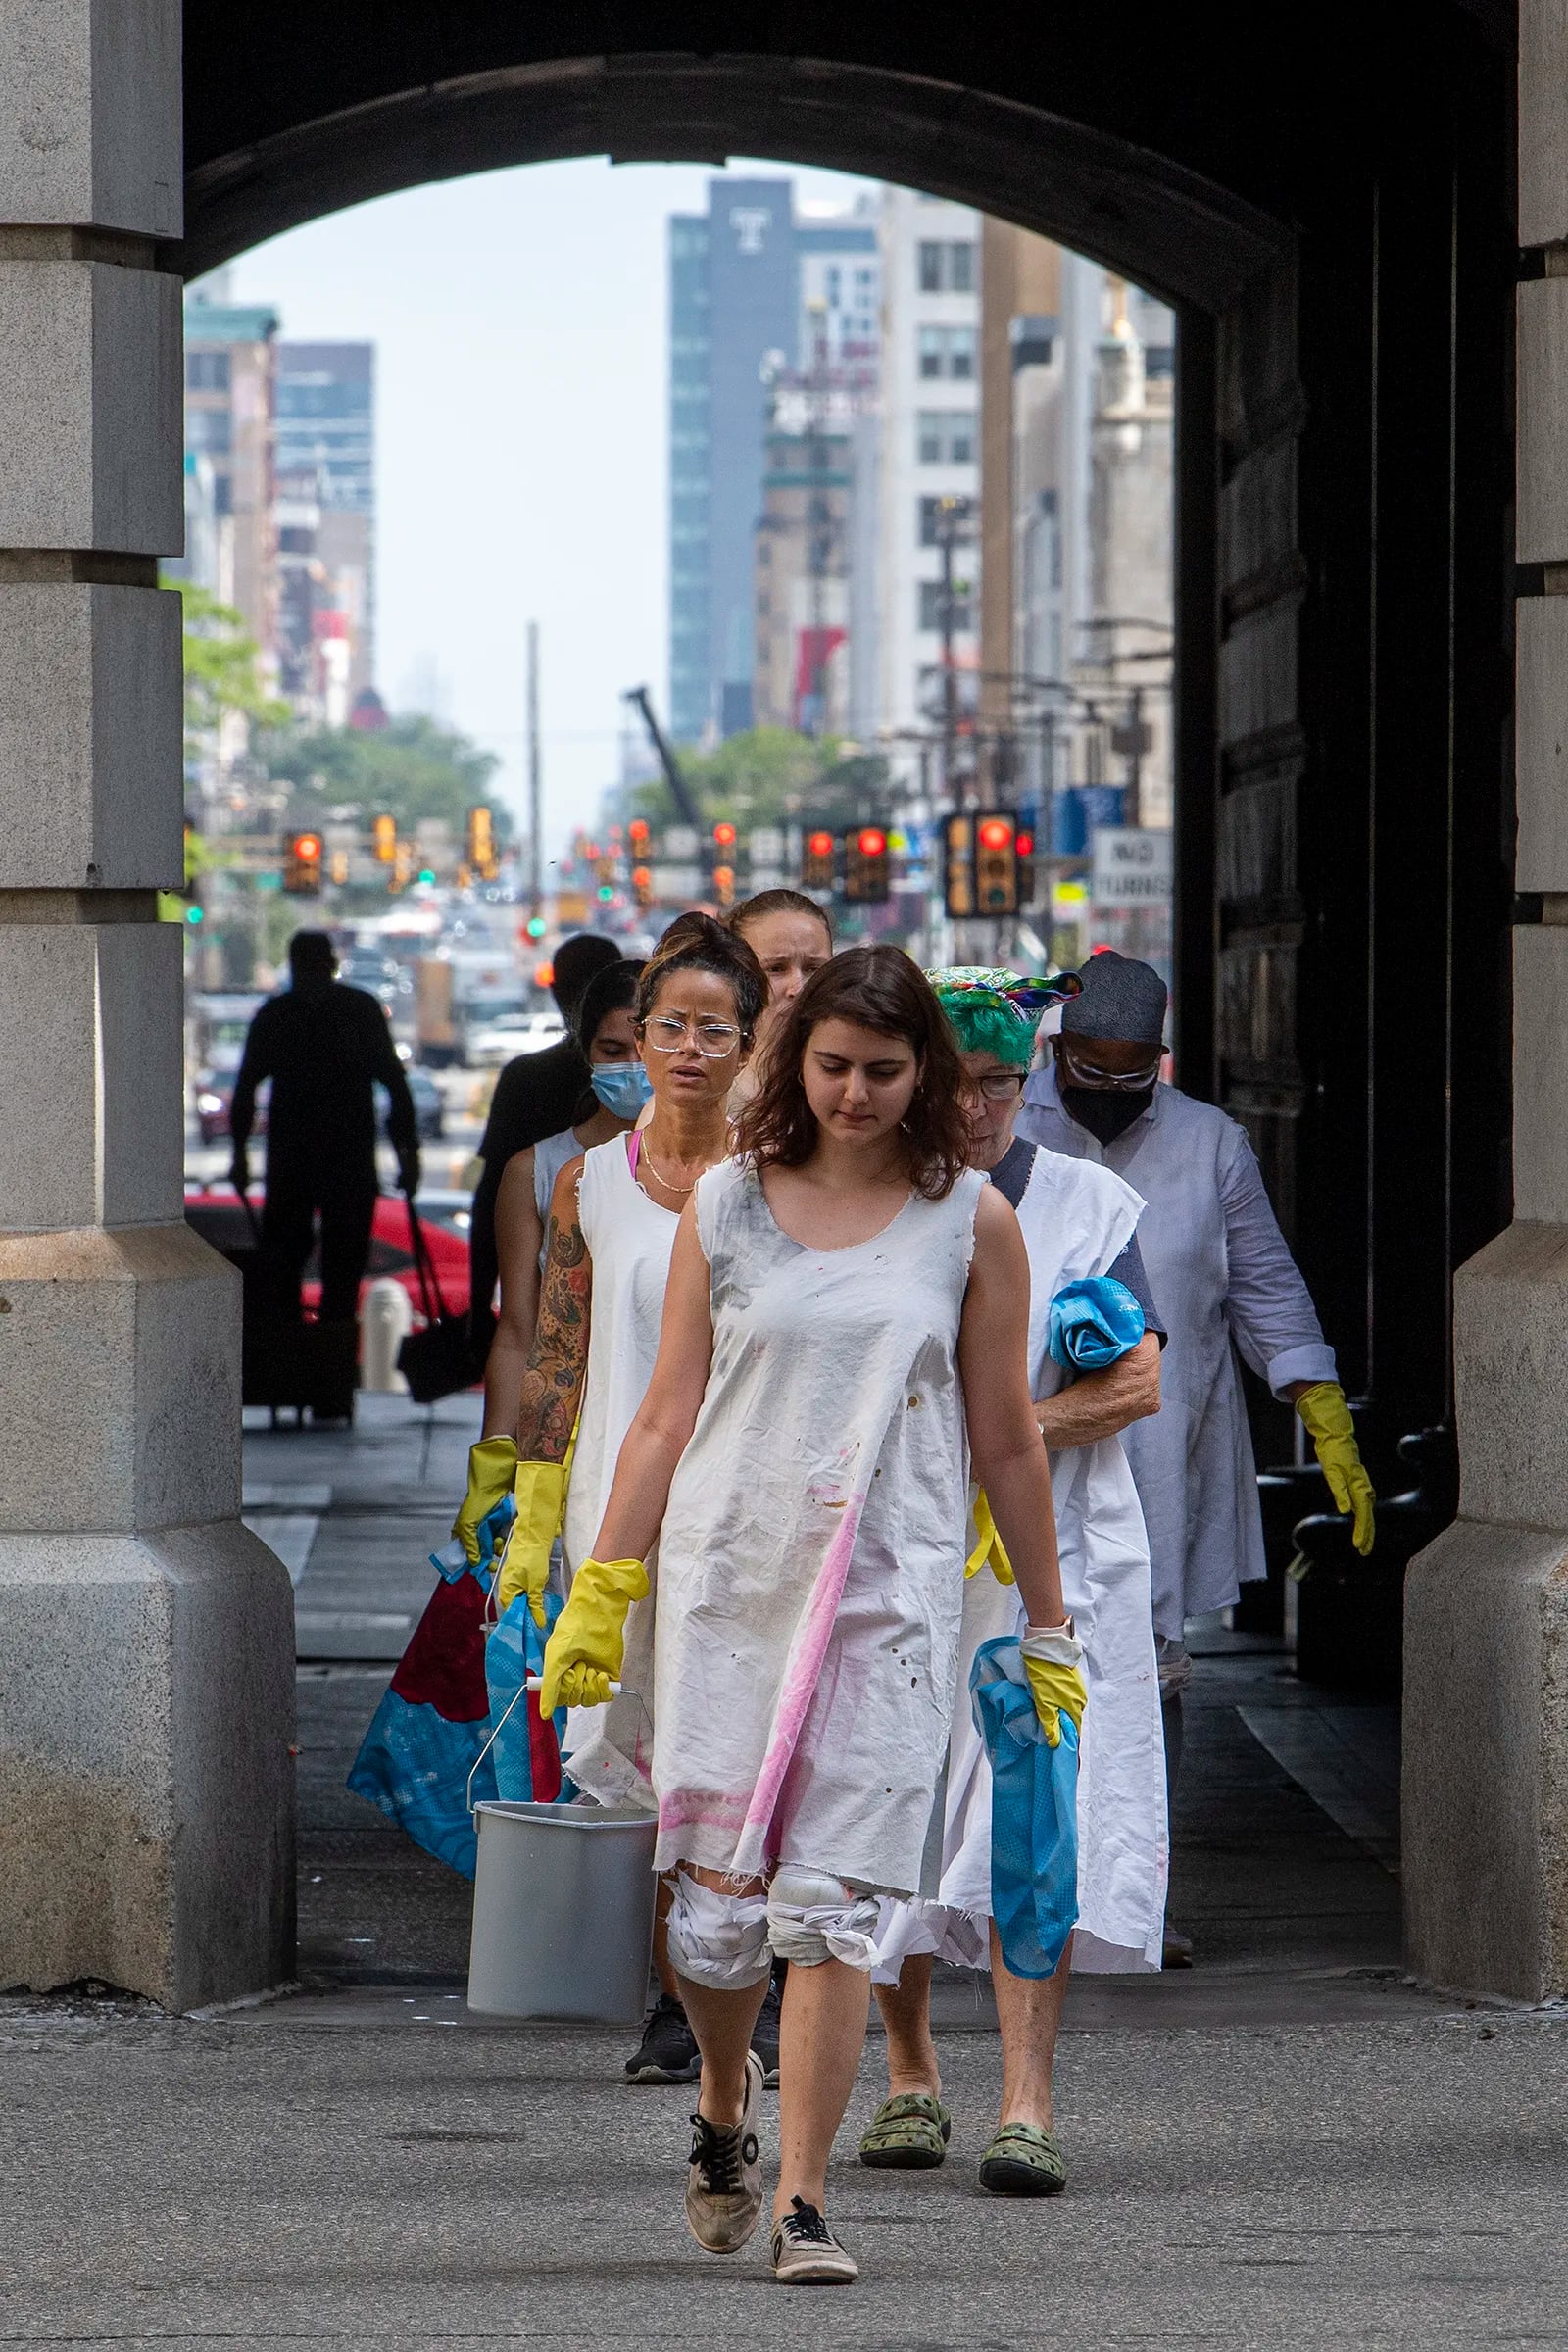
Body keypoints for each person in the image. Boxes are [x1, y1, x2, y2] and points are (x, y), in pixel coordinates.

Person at [539, 945, 1082, 2287]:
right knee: (720, 1925)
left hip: (889, 1600)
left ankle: (805, 2199)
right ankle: (726, 2103)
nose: (854, 1093)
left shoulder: (972, 1225)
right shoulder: (723, 1206)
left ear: (929, 1077)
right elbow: (666, 1411)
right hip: (730, 1586)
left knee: (834, 1913)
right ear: (799, 1065)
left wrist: (1049, 1625)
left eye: (885, 1072)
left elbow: (1008, 1439)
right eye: (833, 1066)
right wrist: (603, 1586)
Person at [862, 968, 1167, 2198]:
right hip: (895, 1565)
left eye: (1005, 1082)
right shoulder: (868, 1203)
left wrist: (1000, 1439)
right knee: (884, 1805)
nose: (984, 1108)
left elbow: (1133, 1384)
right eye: (962, 1082)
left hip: (1048, 1569)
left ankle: (1027, 2102)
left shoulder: (1090, 1206)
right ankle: (907, 2073)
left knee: (1031, 1823)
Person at [1015, 952, 1376, 1953]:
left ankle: (1138, 1903)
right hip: (1031, 1438)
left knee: (1146, 1666)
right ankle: (1023, 1894)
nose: (1112, 1091)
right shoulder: (1002, 1128)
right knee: (1022, 1656)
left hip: (1160, 1451)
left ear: (1161, 1060)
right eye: (1091, 1068)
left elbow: (1262, 1283)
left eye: (1135, 1075)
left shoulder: (1209, 1142)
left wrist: (1323, 1407)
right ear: (1058, 1050)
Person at [492, 914, 767, 2086]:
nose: (688, 1049)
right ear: (633, 1040)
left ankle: (762, 1986)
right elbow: (559, 1356)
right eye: (669, 1027)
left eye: (717, 1028)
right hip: (617, 1514)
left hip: (753, 1511)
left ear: (754, 1043)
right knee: (636, 1755)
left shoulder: (782, 1182)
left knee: (750, 1756)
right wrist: (531, 1506)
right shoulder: (586, 1184)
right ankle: (679, 2000)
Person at [466, 958, 645, 1460]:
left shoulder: (715, 1172)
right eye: (612, 1050)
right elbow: (519, 1332)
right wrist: (497, 1463)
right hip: (568, 1438)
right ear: (585, 1053)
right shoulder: (537, 1172)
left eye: (647, 1047)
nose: (633, 1066)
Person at [229, 929, 419, 1324]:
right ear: (332, 965)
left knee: (284, 1267)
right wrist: (408, 1157)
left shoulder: (276, 1016)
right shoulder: (359, 1010)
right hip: (346, 1163)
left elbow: (246, 1088)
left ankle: (293, 1359)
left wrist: (240, 1157)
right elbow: (396, 1087)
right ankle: (332, 1363)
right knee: (342, 1272)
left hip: (292, 1164)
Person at [466, 932, 622, 1353]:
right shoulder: (529, 1091)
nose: (627, 1067)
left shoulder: (527, 1078)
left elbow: (487, 1197)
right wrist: (480, 1304)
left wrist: (479, 1302)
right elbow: (494, 1196)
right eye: (611, 1052)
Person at [724, 889, 833, 1104]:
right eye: (776, 968)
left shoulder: (854, 1100)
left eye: (813, 968)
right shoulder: (707, 1106)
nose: (799, 987)